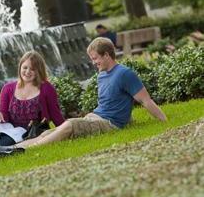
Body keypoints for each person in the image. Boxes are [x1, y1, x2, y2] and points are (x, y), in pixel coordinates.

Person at [14, 37, 167, 149]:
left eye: (95, 58)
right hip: (95, 118)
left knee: (70, 124)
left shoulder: (125, 74)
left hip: (110, 124)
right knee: (51, 132)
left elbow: (145, 100)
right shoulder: (101, 75)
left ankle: (30, 149)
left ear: (107, 55)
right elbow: (111, 102)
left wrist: (164, 121)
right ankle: (13, 149)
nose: (93, 63)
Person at [0, 51, 65, 146]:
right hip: (5, 127)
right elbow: (4, 117)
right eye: (25, 67)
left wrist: (65, 130)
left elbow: (55, 114)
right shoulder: (8, 88)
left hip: (29, 132)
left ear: (38, 71)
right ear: (20, 67)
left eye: (32, 69)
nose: (27, 72)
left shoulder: (47, 89)